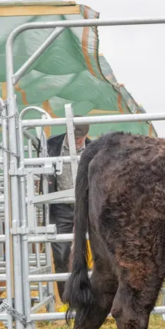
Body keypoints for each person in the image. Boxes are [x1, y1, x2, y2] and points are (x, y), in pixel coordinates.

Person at [46, 122, 91, 299]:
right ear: (68, 133)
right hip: (60, 206)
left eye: (82, 137)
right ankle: (66, 299)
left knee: (93, 250)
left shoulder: (92, 147)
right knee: (61, 253)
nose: (79, 141)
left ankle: (90, 297)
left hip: (86, 204)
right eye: (76, 137)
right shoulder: (52, 145)